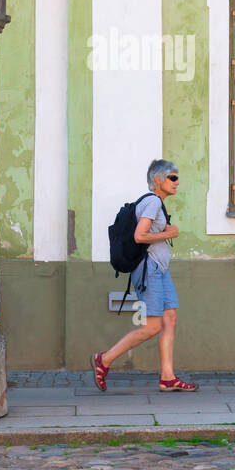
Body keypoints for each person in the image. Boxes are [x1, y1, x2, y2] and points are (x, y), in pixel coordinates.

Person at [91, 160, 198, 392]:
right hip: (149, 269)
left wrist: (166, 232)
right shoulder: (152, 202)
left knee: (170, 319)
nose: (177, 182)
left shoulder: (156, 203)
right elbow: (140, 236)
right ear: (157, 180)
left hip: (160, 268)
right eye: (172, 177)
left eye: (177, 177)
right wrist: (170, 232)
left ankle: (167, 377)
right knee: (152, 327)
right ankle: (105, 359)